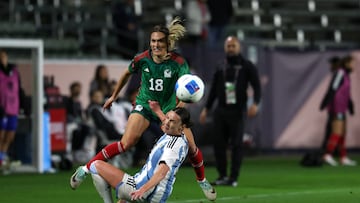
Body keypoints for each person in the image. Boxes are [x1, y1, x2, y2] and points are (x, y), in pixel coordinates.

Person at [70, 17, 216, 201]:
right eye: (153, 41)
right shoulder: (143, 58)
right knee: (126, 143)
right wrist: (114, 96)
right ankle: (85, 168)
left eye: (160, 41)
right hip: (145, 105)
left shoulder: (178, 63)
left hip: (169, 109)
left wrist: (177, 112)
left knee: (192, 147)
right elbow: (126, 73)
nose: (155, 44)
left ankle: (202, 180)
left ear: (167, 43)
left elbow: (184, 89)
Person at [90, 102, 190, 203]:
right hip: (150, 190)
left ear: (182, 127)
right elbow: (169, 121)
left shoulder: (173, 146)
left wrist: (142, 190)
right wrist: (157, 110)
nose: (167, 122)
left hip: (143, 190)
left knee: (95, 165)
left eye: (171, 121)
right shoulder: (175, 134)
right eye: (167, 117)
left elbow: (162, 172)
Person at [199, 36, 261, 187]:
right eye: (228, 46)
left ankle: (233, 178)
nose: (231, 48)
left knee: (236, 145)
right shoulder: (221, 66)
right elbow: (213, 89)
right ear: (225, 48)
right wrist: (206, 109)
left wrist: (256, 103)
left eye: (233, 46)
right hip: (221, 110)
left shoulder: (247, 66)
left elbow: (257, 86)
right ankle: (222, 175)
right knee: (218, 144)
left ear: (239, 47)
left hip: (238, 110)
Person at [320, 55, 357, 166]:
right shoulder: (340, 73)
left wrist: (350, 105)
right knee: (337, 131)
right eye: (352, 63)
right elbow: (333, 88)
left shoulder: (346, 75)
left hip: (343, 107)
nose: (354, 66)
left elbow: (346, 93)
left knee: (342, 133)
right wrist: (325, 102)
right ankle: (328, 155)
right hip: (337, 107)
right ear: (346, 63)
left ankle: (343, 157)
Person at [0, 50, 22, 168]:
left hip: (13, 108)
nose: (2, 58)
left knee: (10, 136)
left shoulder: (14, 72)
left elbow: (19, 88)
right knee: (1, 135)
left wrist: (23, 105)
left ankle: (1, 158)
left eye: (4, 56)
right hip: (1, 109)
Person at [320, 56, 341, 154]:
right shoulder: (339, 74)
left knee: (334, 130)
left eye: (332, 64)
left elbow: (333, 89)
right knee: (333, 129)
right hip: (335, 107)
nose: (330, 66)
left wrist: (325, 101)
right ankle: (331, 152)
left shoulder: (340, 73)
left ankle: (329, 151)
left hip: (337, 107)